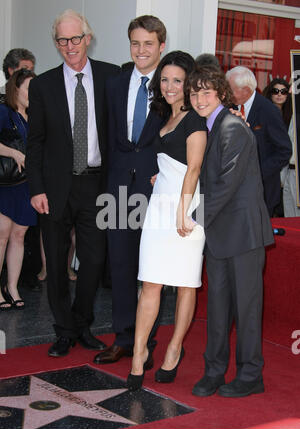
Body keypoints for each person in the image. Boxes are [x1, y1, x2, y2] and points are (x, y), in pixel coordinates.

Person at [26, 9, 120, 357]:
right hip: (53, 189)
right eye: (62, 40)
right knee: (55, 259)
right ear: (57, 43)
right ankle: (63, 330)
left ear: (88, 38)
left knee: (94, 260)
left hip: (97, 186)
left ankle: (83, 324)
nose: (69, 46)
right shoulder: (43, 84)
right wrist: (36, 188)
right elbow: (34, 141)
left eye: (75, 39)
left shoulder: (111, 77)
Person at [188, 66, 274, 398]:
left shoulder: (232, 128)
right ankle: (214, 372)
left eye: (206, 92)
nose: (199, 99)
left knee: (247, 307)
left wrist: (191, 218)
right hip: (220, 233)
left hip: (244, 235)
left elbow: (224, 184)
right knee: (218, 307)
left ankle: (251, 375)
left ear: (221, 94)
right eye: (194, 93)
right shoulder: (208, 127)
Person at [126, 51, 207, 391]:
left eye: (177, 80)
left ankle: (174, 348)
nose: (170, 86)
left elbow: (195, 167)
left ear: (188, 82)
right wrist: (162, 176)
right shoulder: (162, 113)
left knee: (186, 283)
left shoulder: (196, 119)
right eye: (165, 79)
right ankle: (137, 354)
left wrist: (182, 209)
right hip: (161, 205)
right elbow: (171, 159)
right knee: (150, 282)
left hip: (187, 208)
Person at [94, 15, 167, 366]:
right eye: (135, 43)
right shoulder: (115, 84)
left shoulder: (171, 87)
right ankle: (123, 338)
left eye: (148, 44)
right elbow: (108, 137)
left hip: (156, 188)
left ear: (161, 46)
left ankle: (146, 343)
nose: (141, 50)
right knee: (120, 265)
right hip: (119, 188)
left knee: (151, 269)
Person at [226, 66, 292, 217]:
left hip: (262, 192)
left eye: (231, 89)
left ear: (246, 90)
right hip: (233, 193)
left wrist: (258, 172)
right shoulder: (228, 109)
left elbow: (284, 150)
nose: (227, 93)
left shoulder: (268, 110)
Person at [0, 69, 36, 310]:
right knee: (1, 235)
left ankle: (12, 287)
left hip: (28, 184)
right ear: (16, 89)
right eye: (29, 88)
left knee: (19, 236)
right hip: (6, 184)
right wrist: (14, 152)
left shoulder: (35, 115)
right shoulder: (4, 112)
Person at [263, 77, 292, 217]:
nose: (279, 94)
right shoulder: (263, 114)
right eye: (276, 91)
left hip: (289, 171)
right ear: (270, 93)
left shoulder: (291, 117)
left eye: (284, 91)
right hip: (270, 170)